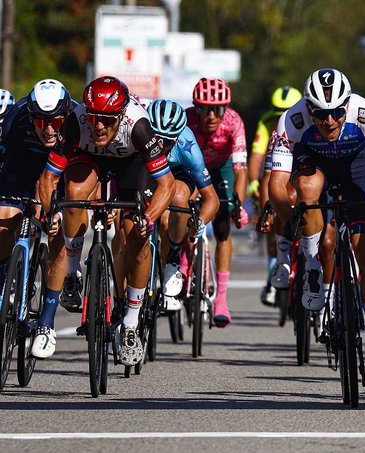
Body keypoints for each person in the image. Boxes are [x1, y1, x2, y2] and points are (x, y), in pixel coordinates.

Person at [268, 68, 365, 382]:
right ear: (309, 109)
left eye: (336, 113)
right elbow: (276, 185)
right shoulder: (291, 121)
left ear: (347, 105)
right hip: (314, 162)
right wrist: (290, 220)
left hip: (359, 166)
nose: (330, 121)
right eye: (321, 114)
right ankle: (313, 268)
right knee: (306, 190)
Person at [37, 76, 176, 365]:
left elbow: (167, 184)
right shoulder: (76, 123)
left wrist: (149, 219)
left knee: (137, 238)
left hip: (131, 164)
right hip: (90, 158)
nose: (98, 126)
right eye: (93, 118)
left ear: (121, 116)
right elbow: (49, 178)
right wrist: (51, 213)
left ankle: (131, 323)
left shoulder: (138, 126)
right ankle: (73, 272)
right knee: (74, 193)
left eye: (107, 120)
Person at [0, 79, 73, 358]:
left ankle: (46, 323)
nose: (49, 129)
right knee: (5, 217)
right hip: (23, 166)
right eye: (41, 122)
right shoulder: (14, 120)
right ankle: (4, 279)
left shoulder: (76, 124)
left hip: (62, 172)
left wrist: (57, 209)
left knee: (57, 234)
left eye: (55, 121)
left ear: (66, 115)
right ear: (31, 117)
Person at [185, 78, 249, 327]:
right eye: (204, 109)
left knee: (223, 227)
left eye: (218, 109)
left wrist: (238, 205)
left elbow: (241, 169)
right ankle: (182, 263)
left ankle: (221, 299)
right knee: (184, 209)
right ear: (196, 108)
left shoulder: (234, 122)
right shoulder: (187, 120)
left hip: (222, 168)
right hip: (192, 166)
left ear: (226, 109)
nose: (211, 116)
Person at [147, 100, 220, 312]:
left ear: (177, 137)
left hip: (178, 174)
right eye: (156, 139)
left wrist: (200, 223)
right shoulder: (139, 136)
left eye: (166, 141)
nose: (160, 145)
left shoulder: (188, 146)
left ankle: (173, 258)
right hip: (146, 170)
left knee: (176, 204)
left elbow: (212, 198)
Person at [248, 86, 302, 306]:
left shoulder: (308, 120)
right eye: (277, 113)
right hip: (278, 167)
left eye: (286, 113)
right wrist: (254, 184)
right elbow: (258, 158)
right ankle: (276, 270)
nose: (282, 118)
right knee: (272, 218)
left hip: (303, 168)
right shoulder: (268, 123)